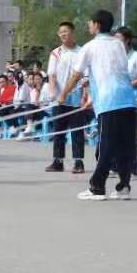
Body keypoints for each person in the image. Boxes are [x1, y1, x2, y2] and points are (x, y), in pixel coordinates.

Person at [58, 10, 137, 200]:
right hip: (128, 99)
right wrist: (93, 97)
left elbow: (76, 75)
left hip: (109, 102)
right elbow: (115, 72)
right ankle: (123, 186)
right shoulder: (118, 44)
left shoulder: (89, 47)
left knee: (106, 146)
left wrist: (63, 94)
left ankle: (97, 187)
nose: (89, 25)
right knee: (125, 145)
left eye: (90, 22)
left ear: (97, 25)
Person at [46, 21, 86, 174]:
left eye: (66, 31)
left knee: (77, 131)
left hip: (76, 98)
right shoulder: (56, 53)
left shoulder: (81, 52)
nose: (63, 34)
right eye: (61, 32)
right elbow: (52, 76)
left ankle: (78, 161)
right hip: (59, 99)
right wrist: (53, 93)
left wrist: (84, 94)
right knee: (58, 130)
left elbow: (85, 76)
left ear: (72, 33)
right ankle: (58, 161)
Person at [115, 26, 137, 176]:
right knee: (118, 134)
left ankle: (133, 165)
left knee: (134, 135)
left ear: (127, 40)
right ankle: (117, 164)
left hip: (134, 101)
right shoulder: (114, 58)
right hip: (117, 100)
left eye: (120, 40)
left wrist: (126, 84)